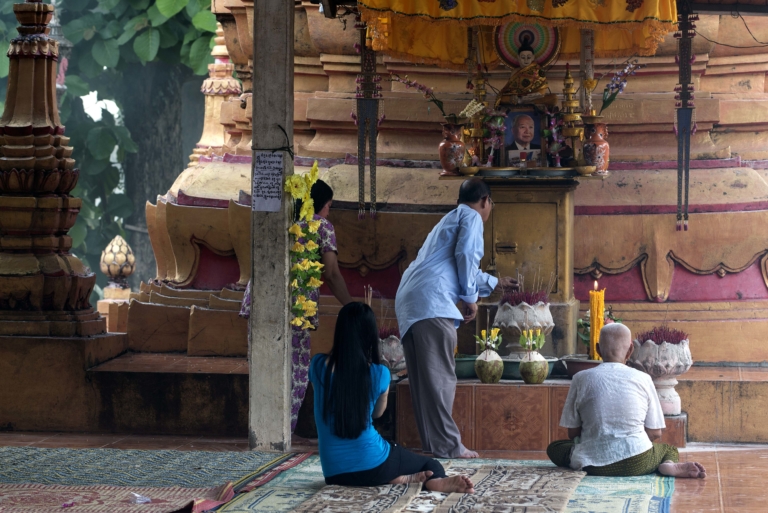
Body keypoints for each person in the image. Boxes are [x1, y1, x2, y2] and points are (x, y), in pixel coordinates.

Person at [395, 178, 517, 459]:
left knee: (424, 382)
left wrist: (494, 282)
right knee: (439, 380)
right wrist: (470, 298)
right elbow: (466, 255)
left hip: (411, 301)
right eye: (491, 204)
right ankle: (450, 446)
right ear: (485, 201)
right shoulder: (472, 217)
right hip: (432, 302)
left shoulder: (448, 220)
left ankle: (435, 446)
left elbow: (456, 264)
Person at [310, 302, 475, 493]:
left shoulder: (317, 365)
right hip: (374, 465)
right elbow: (377, 414)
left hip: (334, 473)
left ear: (339, 331)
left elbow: (323, 400)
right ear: (370, 335)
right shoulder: (379, 373)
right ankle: (432, 480)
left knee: (388, 454)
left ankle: (400, 478)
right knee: (431, 465)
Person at [240, 179, 354, 432]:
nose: (328, 212)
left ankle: (261, 432)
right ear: (320, 203)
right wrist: (352, 306)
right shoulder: (321, 226)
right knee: (294, 375)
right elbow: (331, 274)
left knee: (264, 368)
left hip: (259, 299)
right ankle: (281, 434)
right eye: (329, 206)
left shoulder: (280, 219)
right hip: (294, 308)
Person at [547, 323, 707, 479]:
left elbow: (573, 433)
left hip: (591, 463)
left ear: (597, 349)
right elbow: (655, 432)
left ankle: (588, 454)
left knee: (555, 448)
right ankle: (668, 464)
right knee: (668, 450)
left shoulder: (580, 378)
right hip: (637, 461)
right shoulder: (643, 378)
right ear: (631, 350)